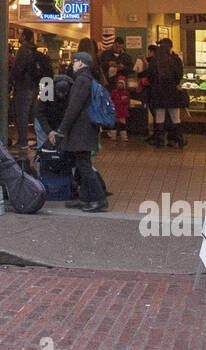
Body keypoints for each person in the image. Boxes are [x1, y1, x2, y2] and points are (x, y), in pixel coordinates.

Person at [47, 51, 107, 212]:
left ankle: (100, 199)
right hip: (85, 130)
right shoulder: (87, 79)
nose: (72, 64)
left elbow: (74, 108)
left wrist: (61, 130)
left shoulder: (82, 81)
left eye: (74, 62)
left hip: (81, 131)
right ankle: (85, 198)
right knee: (81, 165)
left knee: (84, 166)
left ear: (81, 63)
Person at [146, 37, 186, 149]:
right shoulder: (175, 60)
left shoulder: (155, 61)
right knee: (175, 117)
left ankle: (159, 141)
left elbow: (150, 77)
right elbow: (179, 75)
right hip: (172, 92)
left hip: (158, 92)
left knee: (159, 116)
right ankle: (179, 140)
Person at [10, 28, 40, 151]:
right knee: (34, 115)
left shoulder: (23, 50)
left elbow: (18, 69)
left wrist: (13, 80)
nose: (19, 36)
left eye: (20, 34)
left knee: (21, 115)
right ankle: (40, 139)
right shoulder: (34, 50)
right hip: (33, 87)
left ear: (24, 37)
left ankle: (23, 141)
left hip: (23, 87)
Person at [111, 73, 130, 143]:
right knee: (114, 124)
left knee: (122, 125)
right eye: (118, 83)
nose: (119, 85)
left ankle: (123, 136)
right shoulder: (114, 92)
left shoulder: (125, 93)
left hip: (122, 111)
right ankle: (114, 136)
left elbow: (127, 102)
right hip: (116, 111)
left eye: (121, 83)